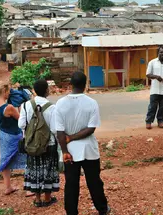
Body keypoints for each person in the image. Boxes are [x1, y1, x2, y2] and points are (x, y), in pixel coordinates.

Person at [55, 72, 109, 215]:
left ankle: (71, 212)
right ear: (85, 85)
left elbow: (59, 132)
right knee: (94, 181)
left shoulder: (60, 104)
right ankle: (102, 209)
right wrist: (72, 137)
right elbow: (91, 129)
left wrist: (65, 150)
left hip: (70, 151)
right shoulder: (91, 103)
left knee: (71, 184)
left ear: (70, 84)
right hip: (89, 150)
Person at [18, 80, 59, 207]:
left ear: (34, 91)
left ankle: (37, 199)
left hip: (31, 144)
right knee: (48, 169)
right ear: (46, 90)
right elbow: (54, 129)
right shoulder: (52, 107)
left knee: (34, 169)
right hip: (48, 144)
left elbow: (21, 125)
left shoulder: (25, 105)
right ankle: (47, 198)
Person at [0, 81, 26, 195]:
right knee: (27, 158)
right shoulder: (9, 107)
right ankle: (29, 187)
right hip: (14, 135)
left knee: (5, 160)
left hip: (3, 134)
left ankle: (8, 187)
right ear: (4, 92)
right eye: (8, 91)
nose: (10, 93)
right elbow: (21, 120)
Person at [145, 46, 163, 129]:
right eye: (161, 52)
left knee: (162, 106)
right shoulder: (152, 62)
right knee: (152, 106)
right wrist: (156, 77)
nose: (162, 54)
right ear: (158, 53)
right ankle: (148, 121)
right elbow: (148, 74)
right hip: (155, 89)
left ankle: (160, 121)